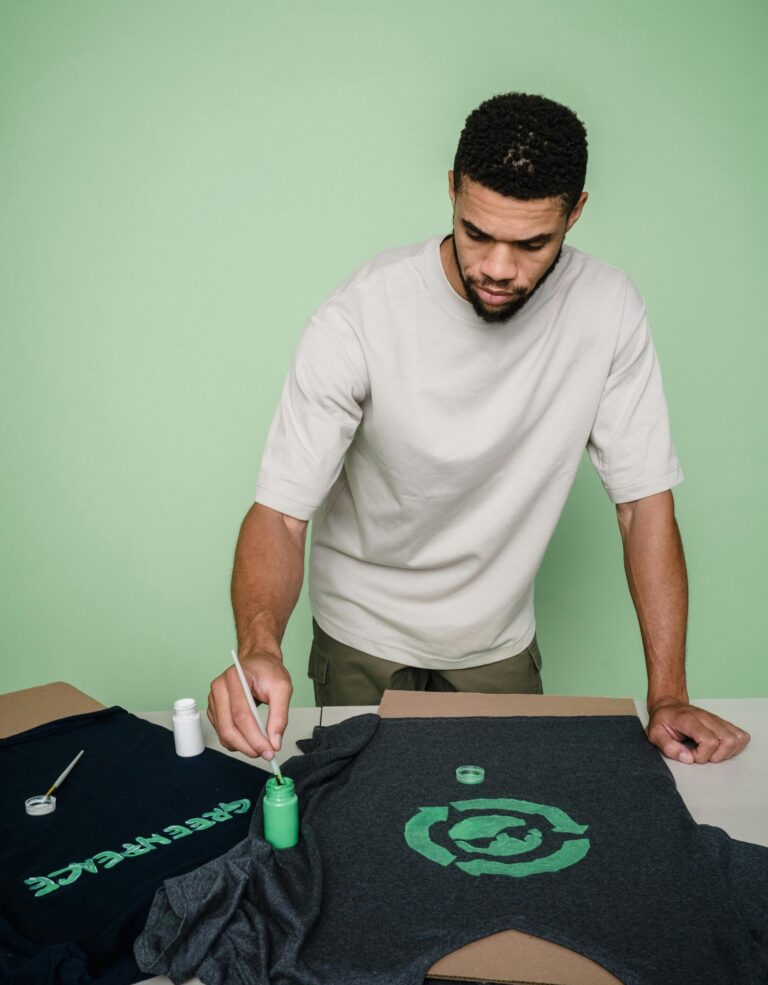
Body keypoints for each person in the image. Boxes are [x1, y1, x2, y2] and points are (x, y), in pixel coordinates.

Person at [207, 92, 750, 767]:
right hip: (360, 639)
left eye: (532, 243)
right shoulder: (360, 315)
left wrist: (668, 695)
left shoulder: (608, 310)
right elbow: (282, 515)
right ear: (453, 191)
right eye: (477, 232)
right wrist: (259, 644)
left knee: (514, 838)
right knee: (363, 838)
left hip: (498, 645)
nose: (498, 266)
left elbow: (644, 507)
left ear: (575, 212)